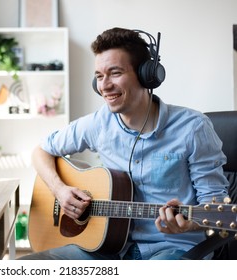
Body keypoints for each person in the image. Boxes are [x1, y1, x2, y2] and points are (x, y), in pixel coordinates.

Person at [19, 27, 229, 260]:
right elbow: (41, 151)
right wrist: (60, 191)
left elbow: (216, 207)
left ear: (146, 75)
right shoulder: (99, 123)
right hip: (106, 248)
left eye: (115, 73)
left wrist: (189, 226)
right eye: (99, 76)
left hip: (173, 248)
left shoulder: (193, 128)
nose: (104, 86)